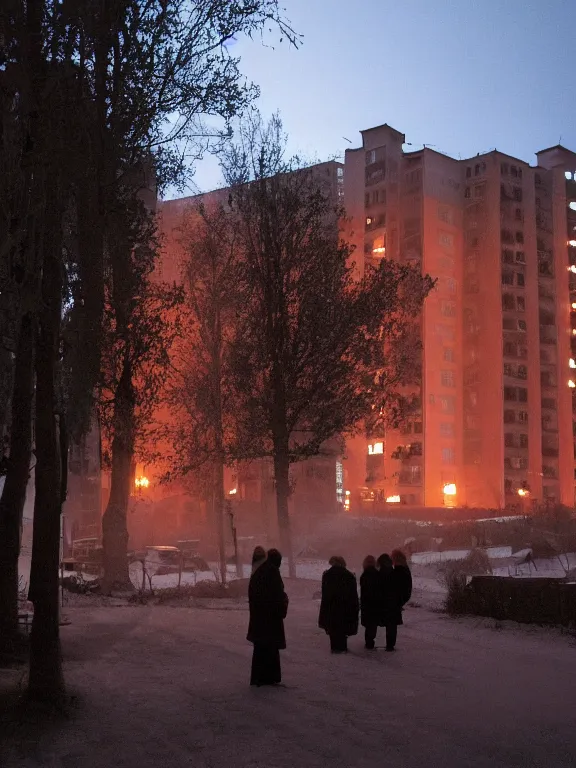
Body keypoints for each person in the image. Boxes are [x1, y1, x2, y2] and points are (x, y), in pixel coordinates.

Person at [247, 548, 289, 686]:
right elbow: (277, 595)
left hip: (259, 617)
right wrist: (283, 603)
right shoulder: (272, 572)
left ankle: (259, 677)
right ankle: (270, 677)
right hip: (270, 618)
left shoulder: (258, 571)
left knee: (261, 649)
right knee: (271, 648)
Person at [318, 556, 359, 653]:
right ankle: (342, 647)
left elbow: (325, 594)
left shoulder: (327, 575)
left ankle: (334, 648)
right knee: (343, 628)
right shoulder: (349, 575)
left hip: (331, 606)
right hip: (345, 606)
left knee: (333, 628)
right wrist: (355, 607)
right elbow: (353, 594)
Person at [376, 553, 401, 652]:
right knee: (392, 625)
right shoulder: (394, 572)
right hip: (393, 603)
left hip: (383, 602)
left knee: (385, 623)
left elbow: (377, 589)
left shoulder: (379, 574)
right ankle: (390, 645)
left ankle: (371, 642)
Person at [391, 548, 413, 640]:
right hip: (400, 598)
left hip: (397, 599)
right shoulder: (403, 568)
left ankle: (390, 644)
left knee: (391, 622)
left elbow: (397, 587)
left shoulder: (399, 570)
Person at [360, 555, 380, 650]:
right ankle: (370, 641)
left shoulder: (364, 575)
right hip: (375, 603)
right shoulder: (377, 574)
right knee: (373, 624)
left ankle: (368, 642)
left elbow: (363, 590)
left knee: (368, 624)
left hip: (366, 603)